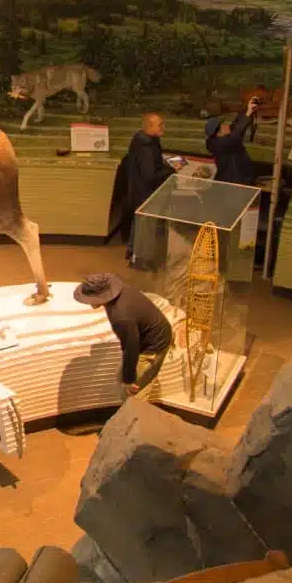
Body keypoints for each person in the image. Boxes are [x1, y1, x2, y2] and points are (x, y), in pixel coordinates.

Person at [73, 272, 173, 396]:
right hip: (147, 334)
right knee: (121, 379)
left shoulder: (121, 316)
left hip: (154, 344)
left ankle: (139, 413)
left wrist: (129, 380)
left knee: (133, 393)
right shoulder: (119, 294)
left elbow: (131, 347)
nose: (89, 302)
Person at [117, 113, 176, 267]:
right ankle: (140, 259)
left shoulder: (144, 140)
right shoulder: (146, 146)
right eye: (160, 125)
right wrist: (170, 171)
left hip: (138, 190)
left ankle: (133, 252)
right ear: (150, 127)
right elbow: (150, 175)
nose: (163, 127)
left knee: (139, 223)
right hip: (144, 193)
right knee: (144, 226)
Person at [206, 98, 260, 187]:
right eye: (223, 124)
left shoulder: (220, 139)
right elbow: (237, 132)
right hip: (235, 182)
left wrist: (248, 109)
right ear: (219, 132)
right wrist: (248, 113)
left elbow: (235, 126)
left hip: (235, 180)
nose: (227, 125)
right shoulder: (222, 143)